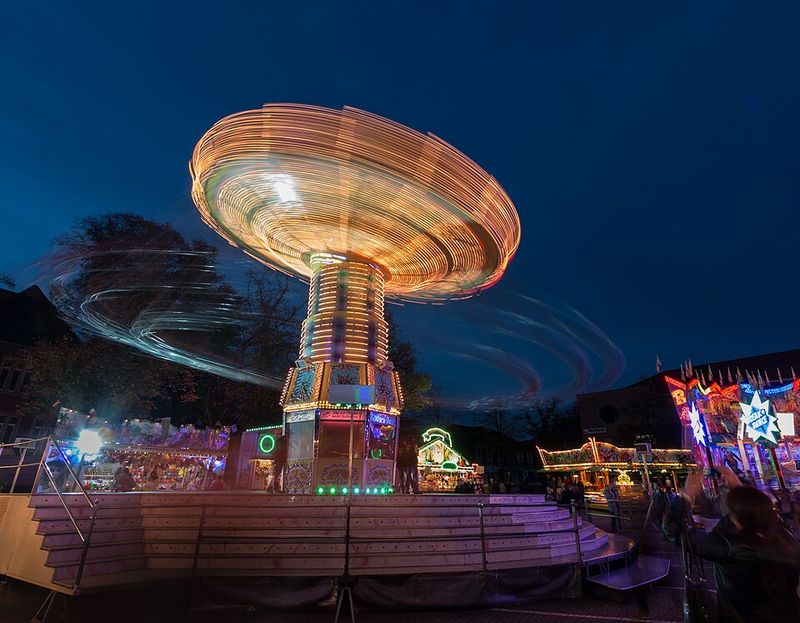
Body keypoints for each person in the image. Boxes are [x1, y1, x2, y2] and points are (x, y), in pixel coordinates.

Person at [664, 467, 800, 622]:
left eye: (731, 512)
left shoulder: (730, 546)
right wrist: (739, 491)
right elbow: (755, 512)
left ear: (738, 519)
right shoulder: (786, 536)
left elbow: (673, 531)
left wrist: (686, 495)